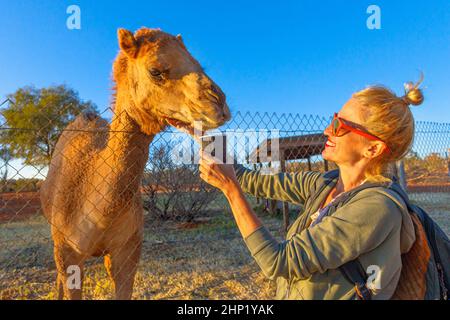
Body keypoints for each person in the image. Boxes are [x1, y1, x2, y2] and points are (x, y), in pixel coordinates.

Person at [169, 77, 424, 300]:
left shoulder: (377, 208)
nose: (327, 130)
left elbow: (277, 261)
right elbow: (251, 180)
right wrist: (199, 132)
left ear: (373, 149)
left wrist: (231, 191)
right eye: (334, 119)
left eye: (340, 126)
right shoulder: (325, 183)